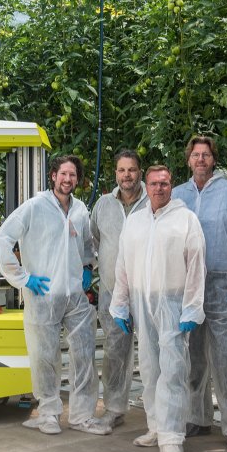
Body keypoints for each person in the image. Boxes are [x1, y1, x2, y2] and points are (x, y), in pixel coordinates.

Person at [0, 155, 111, 436]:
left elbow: (85, 246)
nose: (68, 180)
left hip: (75, 296)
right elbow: (1, 240)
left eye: (73, 176)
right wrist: (22, 278)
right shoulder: (34, 207)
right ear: (53, 176)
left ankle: (82, 416)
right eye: (63, 174)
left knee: (84, 356)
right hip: (43, 295)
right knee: (44, 357)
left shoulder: (81, 209)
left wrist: (85, 267)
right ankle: (48, 413)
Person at [110, 165, 207, 452]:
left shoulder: (186, 219)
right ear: (146, 185)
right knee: (150, 367)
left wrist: (192, 306)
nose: (158, 189)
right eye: (153, 184)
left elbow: (196, 266)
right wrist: (119, 303)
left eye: (164, 184)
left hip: (173, 304)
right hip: (142, 303)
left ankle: (173, 436)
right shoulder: (136, 221)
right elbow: (123, 265)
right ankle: (156, 427)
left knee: (174, 369)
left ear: (171, 186)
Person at [172, 136, 227, 452]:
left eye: (206, 154)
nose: (201, 159)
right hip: (189, 285)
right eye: (196, 155)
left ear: (213, 159)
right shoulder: (177, 195)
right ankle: (198, 417)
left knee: (226, 357)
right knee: (192, 356)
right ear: (188, 160)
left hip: (222, 283)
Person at [90, 150, 148, 429]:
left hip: (149, 292)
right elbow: (95, 239)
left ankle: (163, 414)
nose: (127, 175)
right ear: (115, 174)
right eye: (122, 170)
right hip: (113, 293)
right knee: (115, 352)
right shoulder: (103, 205)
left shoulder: (155, 200)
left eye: (132, 170)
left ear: (140, 172)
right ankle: (114, 409)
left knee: (157, 351)